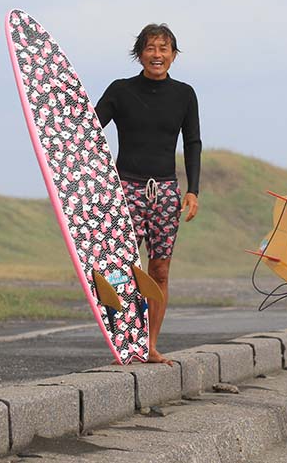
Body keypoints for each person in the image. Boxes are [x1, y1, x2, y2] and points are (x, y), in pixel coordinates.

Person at [94, 24, 202, 365]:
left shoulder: (184, 94)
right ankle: (124, 343)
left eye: (164, 48)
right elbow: (91, 128)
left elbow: (193, 143)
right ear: (140, 54)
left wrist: (193, 190)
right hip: (126, 186)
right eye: (151, 48)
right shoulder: (121, 91)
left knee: (160, 270)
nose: (158, 55)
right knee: (121, 269)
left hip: (166, 191)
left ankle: (150, 345)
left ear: (173, 55)